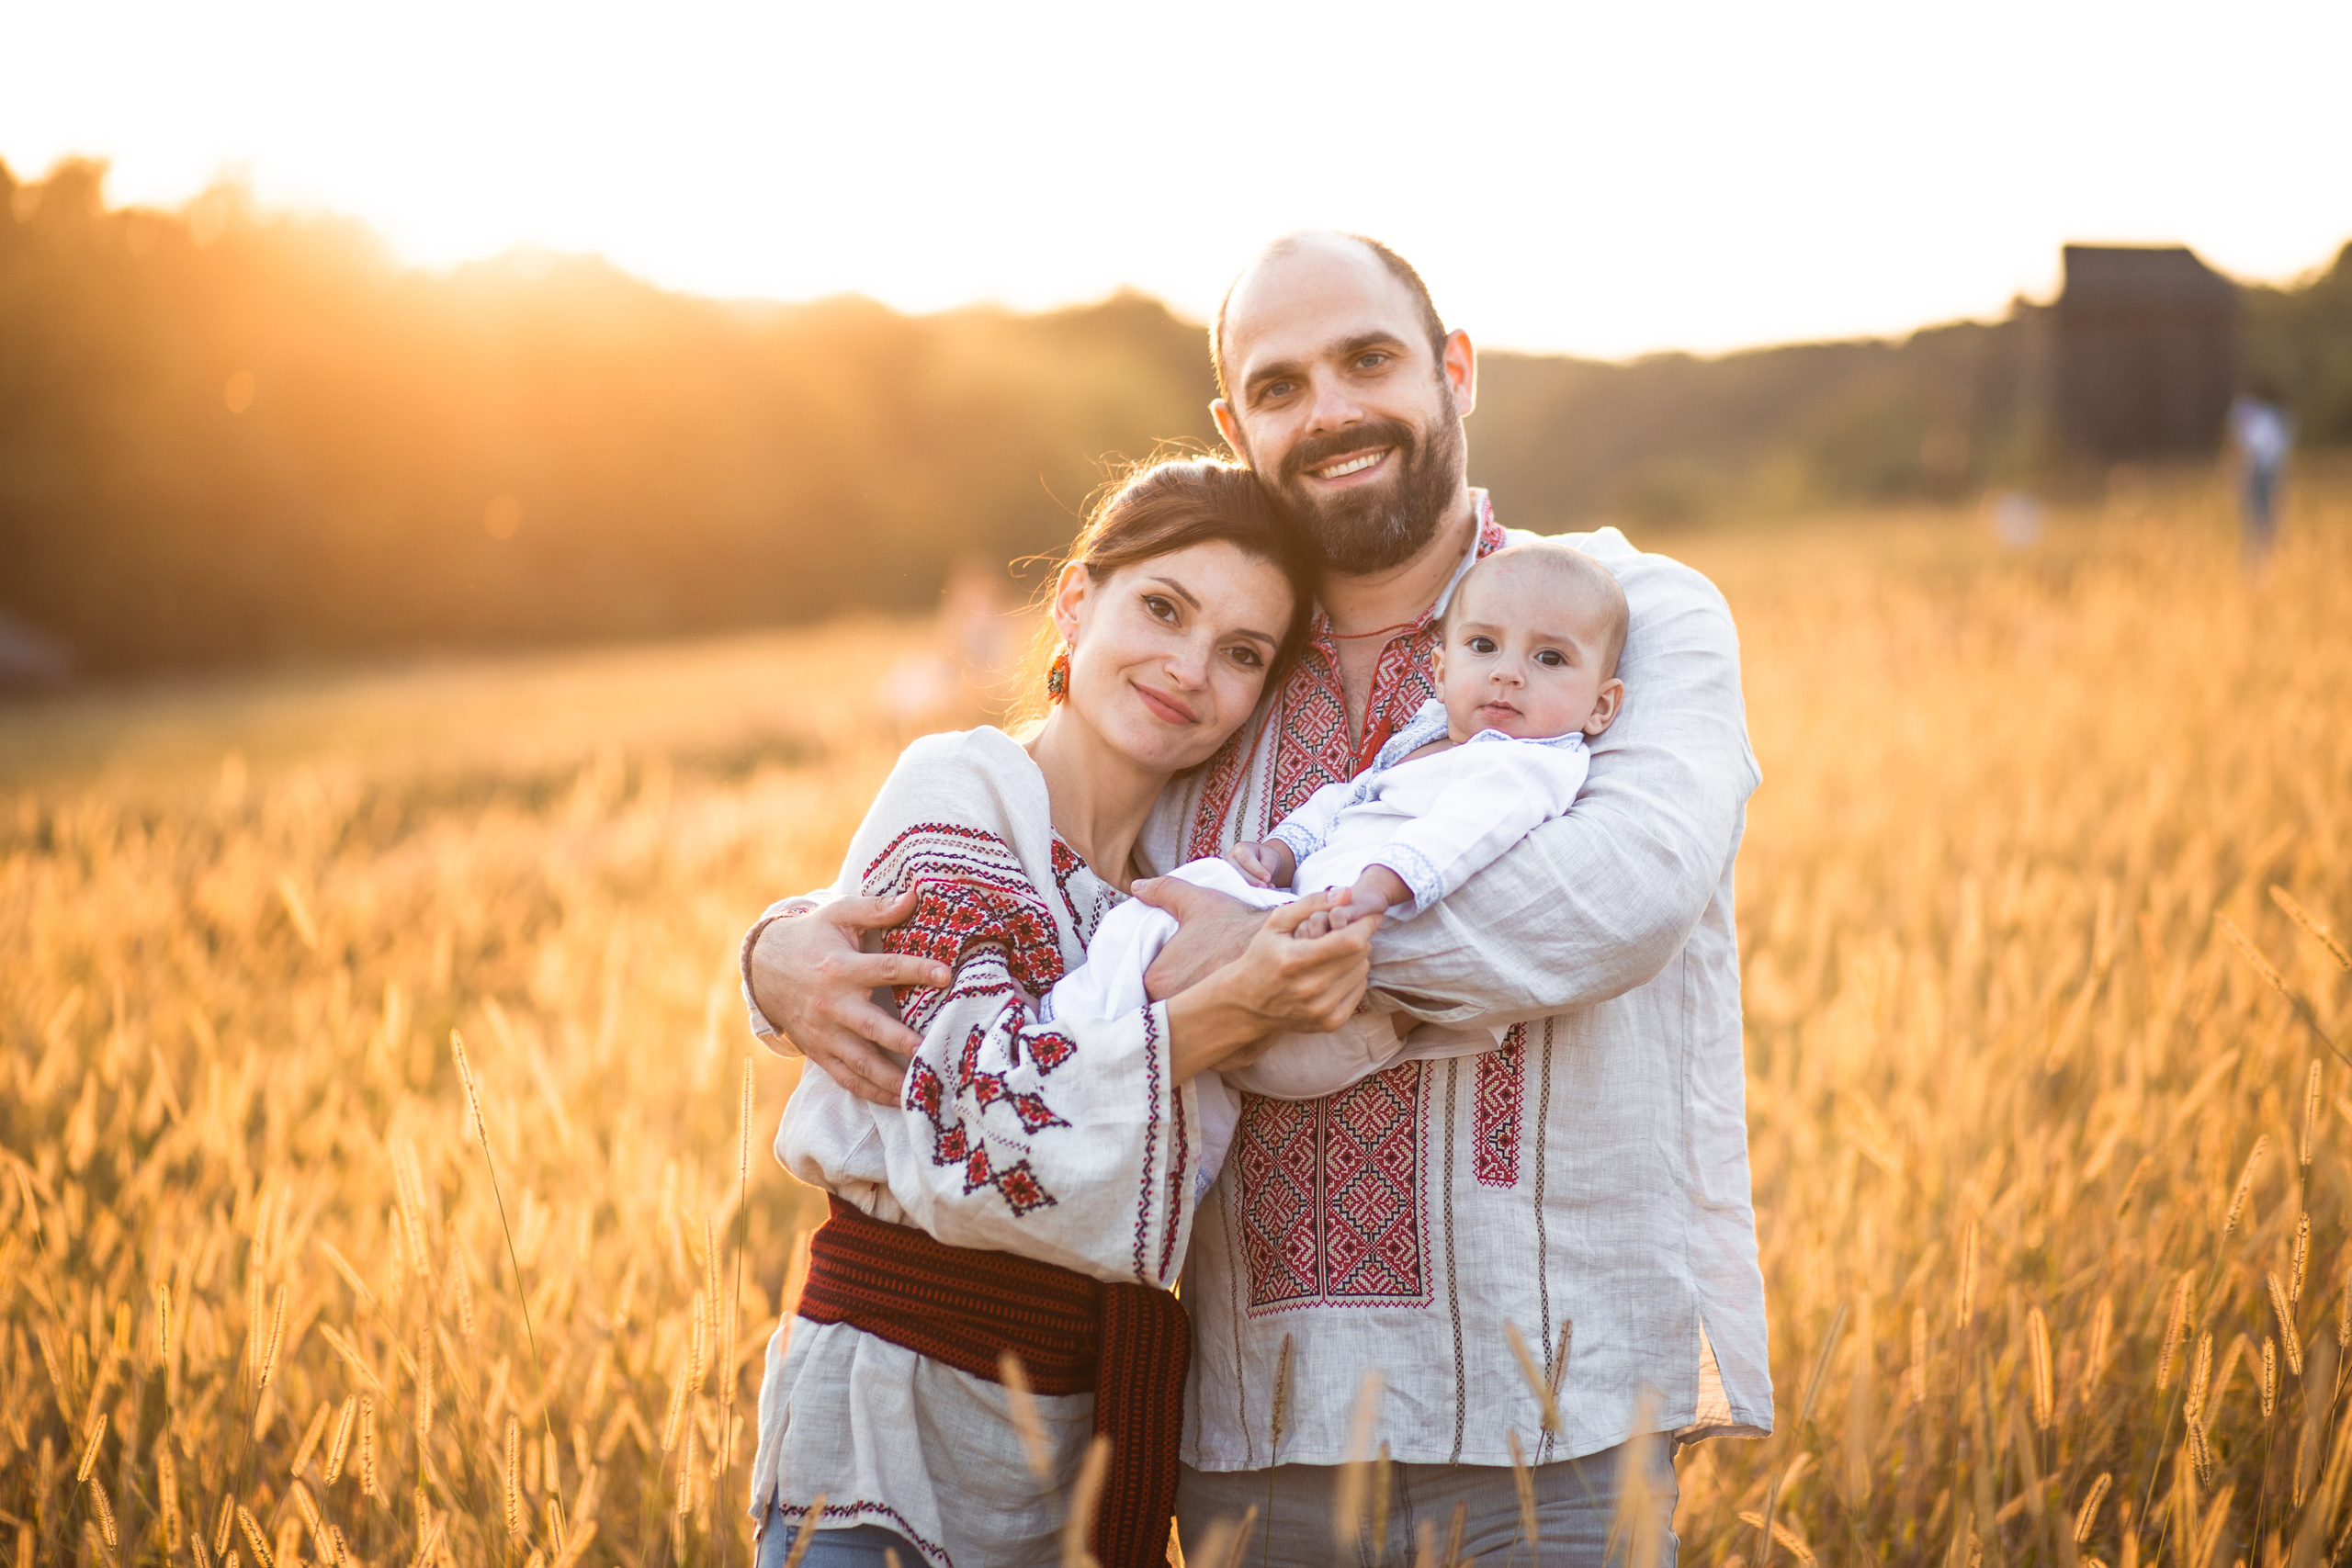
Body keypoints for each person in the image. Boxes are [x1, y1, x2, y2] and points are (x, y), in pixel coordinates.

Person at [749, 231, 1771, 1568]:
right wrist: (775, 949)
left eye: (1369, 360)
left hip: (1550, 1412)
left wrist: (1244, 970)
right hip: (1256, 1437)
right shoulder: (1227, 674)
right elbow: (1038, 887)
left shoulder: (1619, 616)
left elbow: (1617, 896)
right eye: (1281, 386)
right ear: (1236, 426)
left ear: (1455, 370)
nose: (1331, 409)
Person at [743, 458, 1379, 1568]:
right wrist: (1219, 1018)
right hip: (887, 1441)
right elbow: (969, 1119)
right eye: (1163, 609)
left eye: (1241, 654)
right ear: (1075, 602)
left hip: (1070, 1457)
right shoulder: (962, 788)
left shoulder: (1193, 891)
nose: (1188, 668)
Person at [1046, 540, 1629, 1188]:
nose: (1508, 673)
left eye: (1550, 658)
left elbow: (1463, 833)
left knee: (1164, 907)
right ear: (1440, 671)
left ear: (1602, 706)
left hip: (1329, 996)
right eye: (1484, 646)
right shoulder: (1431, 738)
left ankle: (1062, 1030)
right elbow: (1342, 801)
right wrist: (1281, 850)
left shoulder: (1528, 763)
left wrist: (1377, 890)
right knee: (1200, 1012)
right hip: (1293, 976)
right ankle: (1191, 1161)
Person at [2228, 375, 2294, 563]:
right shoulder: (2276, 415)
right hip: (2261, 471)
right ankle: (2262, 561)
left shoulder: (2248, 411)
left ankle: (2263, 561)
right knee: (2262, 521)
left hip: (2258, 471)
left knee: (2261, 521)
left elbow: (2238, 443)